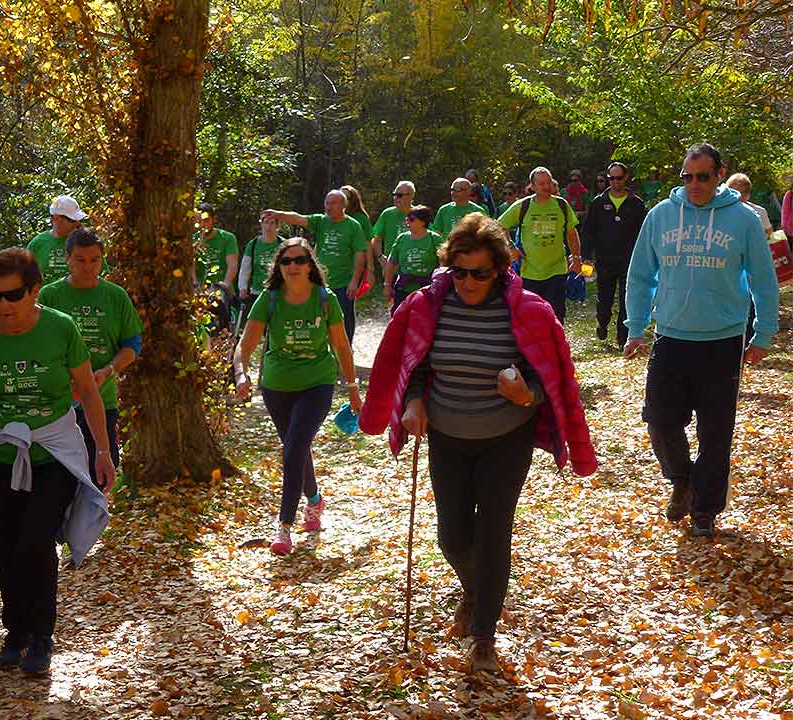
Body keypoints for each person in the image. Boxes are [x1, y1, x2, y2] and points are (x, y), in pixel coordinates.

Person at [360, 214, 596, 675]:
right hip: (448, 435)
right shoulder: (429, 307)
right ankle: (477, 588)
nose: (468, 282)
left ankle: (484, 634)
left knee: (493, 531)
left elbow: (550, 377)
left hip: (507, 437)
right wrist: (413, 400)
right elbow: (417, 364)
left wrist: (525, 394)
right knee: (451, 535)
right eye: (460, 271)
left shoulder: (527, 311)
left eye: (480, 273)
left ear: (500, 269)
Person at [0, 248, 112, 676]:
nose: (3, 305)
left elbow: (89, 393)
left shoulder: (61, 328)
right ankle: (15, 632)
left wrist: (103, 451)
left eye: (13, 295)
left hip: (53, 453)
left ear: (34, 291)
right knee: (6, 546)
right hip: (0, 453)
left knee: (36, 542)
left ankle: (41, 636)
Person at [624, 143, 779, 537]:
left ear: (719, 175)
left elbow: (763, 279)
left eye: (703, 177)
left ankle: (705, 510)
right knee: (660, 422)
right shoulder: (661, 216)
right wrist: (636, 327)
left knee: (715, 434)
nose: (695, 184)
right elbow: (640, 275)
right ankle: (682, 481)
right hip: (671, 337)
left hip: (722, 342)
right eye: (688, 177)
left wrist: (763, 333)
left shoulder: (743, 219)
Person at [232, 238, 361, 555]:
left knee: (294, 447)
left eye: (299, 260)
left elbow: (341, 345)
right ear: (278, 266)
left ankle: (284, 527)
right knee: (296, 447)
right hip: (276, 387)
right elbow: (245, 345)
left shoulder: (325, 299)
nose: (293, 266)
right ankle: (314, 500)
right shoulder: (269, 299)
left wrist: (353, 387)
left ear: (310, 265)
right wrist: (241, 374)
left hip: (317, 383)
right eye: (286, 261)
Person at [39, 229, 143, 484]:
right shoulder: (49, 296)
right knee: (57, 482)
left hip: (102, 400)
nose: (88, 267)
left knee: (100, 479)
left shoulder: (116, 296)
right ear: (67, 258)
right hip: (57, 405)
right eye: (80, 260)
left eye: (94, 260)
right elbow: (35, 347)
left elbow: (132, 345)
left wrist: (108, 370)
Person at [262, 190, 369, 345]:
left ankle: (345, 349)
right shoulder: (321, 221)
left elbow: (360, 255)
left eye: (333, 203)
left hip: (343, 283)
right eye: (327, 203)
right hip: (320, 282)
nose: (328, 207)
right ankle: (321, 349)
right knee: (318, 318)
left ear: (343, 206)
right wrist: (278, 214)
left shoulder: (353, 226)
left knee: (344, 319)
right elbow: (299, 218)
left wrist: (354, 281)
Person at [497, 167, 582, 323]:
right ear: (532, 186)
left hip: (557, 269)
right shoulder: (523, 206)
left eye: (549, 182)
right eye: (542, 184)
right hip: (530, 271)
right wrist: (511, 247)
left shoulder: (561, 205)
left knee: (556, 315)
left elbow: (571, 232)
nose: (547, 187)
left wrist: (576, 257)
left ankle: (555, 339)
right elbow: (500, 226)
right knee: (532, 316)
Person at [581, 162, 646, 346]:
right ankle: (602, 323)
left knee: (626, 299)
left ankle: (622, 337)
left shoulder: (636, 203)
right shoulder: (598, 202)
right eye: (611, 178)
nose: (615, 182)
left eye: (619, 178)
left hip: (629, 261)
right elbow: (588, 231)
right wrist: (586, 257)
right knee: (605, 300)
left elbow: (644, 233)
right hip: (605, 260)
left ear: (626, 178)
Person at [384, 205, 440, 314]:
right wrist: (387, 285)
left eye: (411, 219)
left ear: (423, 221)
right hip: (403, 288)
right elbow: (392, 262)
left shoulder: (435, 239)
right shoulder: (402, 238)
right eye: (407, 219)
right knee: (399, 318)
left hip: (427, 290)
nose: (407, 222)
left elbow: (443, 265)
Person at [26, 195, 86, 283]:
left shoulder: (85, 242)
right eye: (72, 220)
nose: (77, 223)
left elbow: (102, 274)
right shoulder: (38, 243)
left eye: (78, 219)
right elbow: (22, 275)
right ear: (56, 218)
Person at [238, 213, 284, 317]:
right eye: (266, 222)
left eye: (272, 223)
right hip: (257, 292)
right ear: (261, 224)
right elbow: (245, 269)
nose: (268, 226)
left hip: (279, 293)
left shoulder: (283, 244)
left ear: (277, 226)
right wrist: (242, 288)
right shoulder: (253, 245)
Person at [193, 202, 239, 293]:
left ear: (213, 219)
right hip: (200, 292)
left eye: (206, 220)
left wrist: (223, 287)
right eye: (199, 221)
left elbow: (232, 266)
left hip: (223, 291)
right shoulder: (192, 240)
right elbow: (190, 266)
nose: (203, 224)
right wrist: (195, 285)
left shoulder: (228, 238)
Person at [373, 181, 417, 271]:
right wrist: (380, 257)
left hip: (414, 269)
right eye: (394, 195)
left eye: (400, 195)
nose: (396, 198)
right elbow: (376, 238)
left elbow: (430, 237)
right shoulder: (387, 214)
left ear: (411, 196)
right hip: (391, 269)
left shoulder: (419, 214)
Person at [726, 173, 774, 238]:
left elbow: (769, 234)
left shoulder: (759, 212)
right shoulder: (719, 210)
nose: (735, 196)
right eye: (731, 192)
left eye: (741, 193)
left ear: (748, 194)